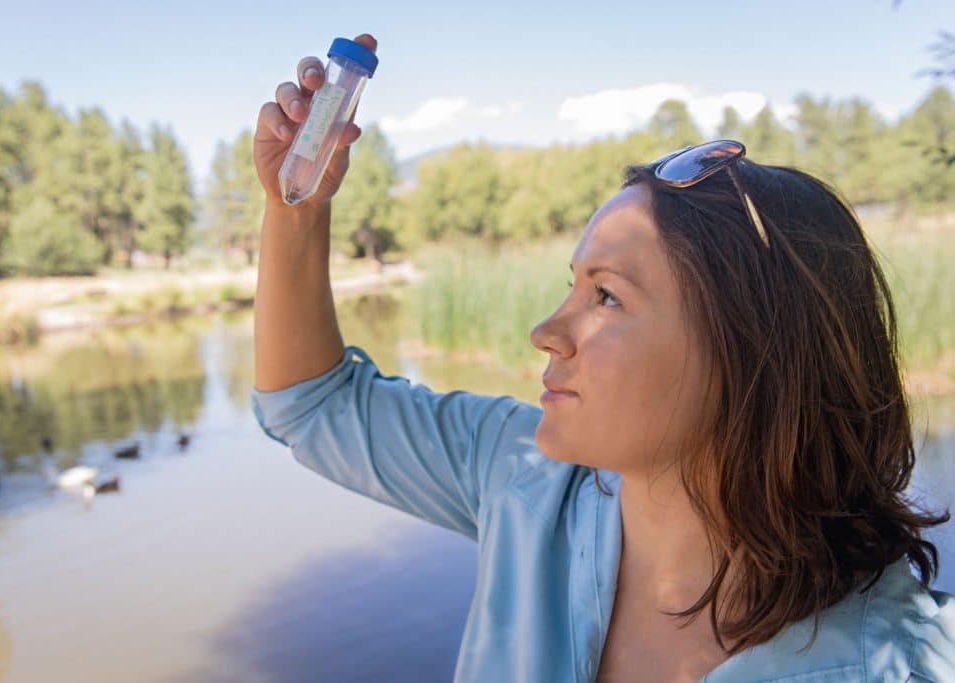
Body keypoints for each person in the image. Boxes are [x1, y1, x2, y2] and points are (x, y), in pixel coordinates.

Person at [250, 33, 955, 682]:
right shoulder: (525, 477)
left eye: (607, 296)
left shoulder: (898, 660)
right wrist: (294, 211)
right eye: (572, 286)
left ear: (751, 350)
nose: (546, 331)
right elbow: (313, 405)